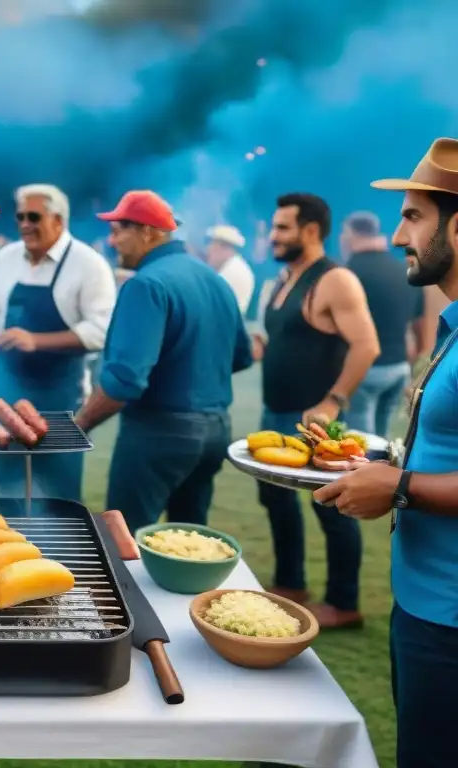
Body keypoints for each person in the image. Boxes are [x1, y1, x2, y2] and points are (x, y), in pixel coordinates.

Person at [313, 137, 458, 768]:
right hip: (424, 605)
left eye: (414, 217)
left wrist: (399, 487)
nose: (400, 235)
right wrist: (377, 467)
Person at [75, 191, 252, 529]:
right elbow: (242, 356)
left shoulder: (146, 285)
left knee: (125, 539)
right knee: (190, 541)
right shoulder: (216, 280)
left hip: (159, 433)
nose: (112, 242)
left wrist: (80, 423)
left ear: (147, 232)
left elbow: (125, 379)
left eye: (118, 231)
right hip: (215, 433)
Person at [253, 193, 380, 629]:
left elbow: (367, 345)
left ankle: (344, 603)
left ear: (310, 231)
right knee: (274, 497)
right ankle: (291, 583)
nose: (273, 236)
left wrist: (333, 400)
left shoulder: (335, 279)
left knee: (332, 507)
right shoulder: (286, 277)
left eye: (282, 228)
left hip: (315, 423)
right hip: (275, 412)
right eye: (274, 227)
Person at [0, 183, 116, 499]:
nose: (24, 225)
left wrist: (36, 340)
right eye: (20, 217)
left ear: (58, 220)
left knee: (59, 491)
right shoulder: (6, 257)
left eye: (34, 217)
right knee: (7, 485)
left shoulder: (88, 264)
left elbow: (101, 330)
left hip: (59, 398)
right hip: (5, 392)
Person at [341, 211, 426, 437]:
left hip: (364, 370)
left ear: (350, 234)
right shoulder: (405, 271)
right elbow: (419, 323)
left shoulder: (347, 273)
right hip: (399, 368)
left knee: (360, 445)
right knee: (381, 439)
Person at [205, 225, 255, 314]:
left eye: (213, 245)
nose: (209, 250)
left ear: (225, 247)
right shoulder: (232, 266)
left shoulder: (234, 272)